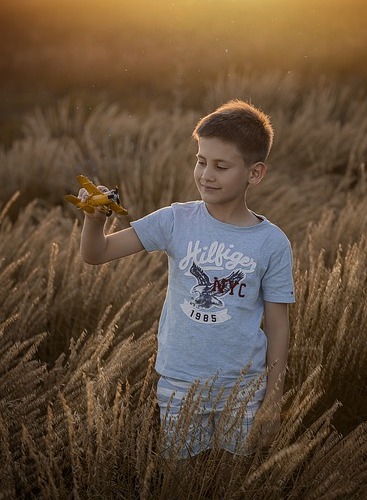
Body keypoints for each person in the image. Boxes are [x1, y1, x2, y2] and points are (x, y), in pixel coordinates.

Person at [79, 100, 295, 459]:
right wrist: (94, 220)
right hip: (180, 383)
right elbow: (96, 254)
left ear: (255, 173)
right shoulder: (175, 221)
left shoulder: (271, 243)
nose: (206, 174)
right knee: (182, 479)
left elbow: (278, 326)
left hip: (243, 389)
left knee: (232, 480)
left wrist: (273, 400)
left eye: (221, 166)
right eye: (201, 160)